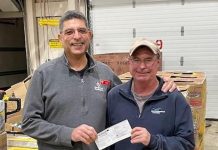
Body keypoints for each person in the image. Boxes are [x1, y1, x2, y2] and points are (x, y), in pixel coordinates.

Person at [22, 10, 177, 150]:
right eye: (69, 32)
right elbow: (29, 123)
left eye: (82, 31)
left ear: (90, 35)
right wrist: (69, 134)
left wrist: (160, 83)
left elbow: (131, 96)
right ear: (61, 38)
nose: (77, 36)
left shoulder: (105, 73)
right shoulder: (43, 74)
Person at [107, 38, 195, 150]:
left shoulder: (174, 99)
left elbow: (187, 144)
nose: (142, 66)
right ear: (129, 62)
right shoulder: (115, 96)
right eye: (136, 60)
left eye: (148, 60)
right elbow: (108, 138)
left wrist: (153, 141)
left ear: (158, 62)